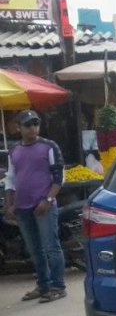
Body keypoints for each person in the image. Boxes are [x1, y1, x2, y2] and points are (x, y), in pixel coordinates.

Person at [4, 110, 67, 303]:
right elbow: (10, 178)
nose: (32, 128)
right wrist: (9, 204)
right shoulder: (14, 150)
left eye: (35, 124)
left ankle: (58, 286)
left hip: (44, 206)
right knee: (34, 249)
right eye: (28, 125)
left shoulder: (49, 147)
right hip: (22, 207)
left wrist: (47, 200)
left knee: (51, 247)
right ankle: (43, 285)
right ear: (19, 128)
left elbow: (59, 178)